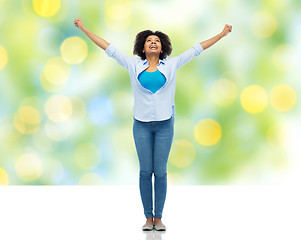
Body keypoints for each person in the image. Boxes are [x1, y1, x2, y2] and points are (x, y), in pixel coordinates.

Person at [74, 18, 232, 231]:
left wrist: (221, 35)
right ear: (143, 46)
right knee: (145, 172)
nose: (153, 42)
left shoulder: (172, 64)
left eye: (157, 40)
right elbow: (108, 48)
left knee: (160, 171)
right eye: (149, 40)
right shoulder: (132, 64)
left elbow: (197, 49)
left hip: (165, 125)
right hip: (141, 126)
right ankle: (148, 218)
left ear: (162, 46)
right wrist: (84, 28)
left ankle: (159, 218)